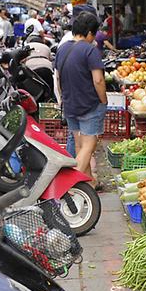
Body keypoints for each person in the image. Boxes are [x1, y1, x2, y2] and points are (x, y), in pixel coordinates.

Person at [54, 12, 106, 179]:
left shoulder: (62, 49)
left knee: (79, 145)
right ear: (90, 33)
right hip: (89, 104)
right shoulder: (90, 50)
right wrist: (103, 101)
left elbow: (58, 78)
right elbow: (98, 80)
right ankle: (70, 186)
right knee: (89, 145)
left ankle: (88, 183)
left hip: (70, 104)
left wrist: (63, 98)